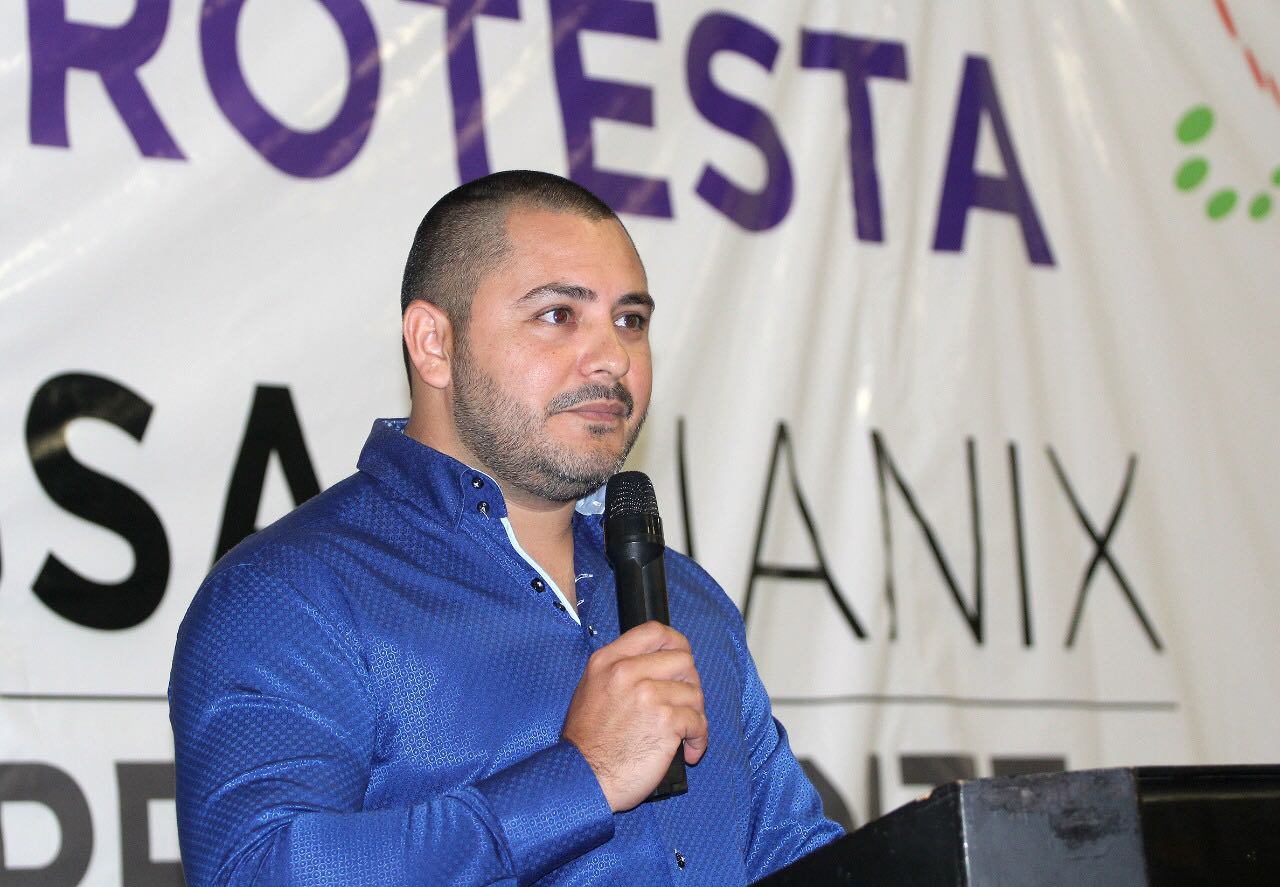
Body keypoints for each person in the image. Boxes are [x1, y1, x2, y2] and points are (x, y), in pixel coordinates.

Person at [169, 170, 842, 886]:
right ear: (433, 342)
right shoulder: (292, 594)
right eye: (558, 314)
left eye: (630, 321)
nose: (613, 358)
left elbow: (798, 858)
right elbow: (256, 871)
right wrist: (580, 778)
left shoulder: (688, 600)